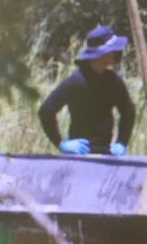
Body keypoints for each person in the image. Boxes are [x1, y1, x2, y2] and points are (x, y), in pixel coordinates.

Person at [38, 26, 135, 156]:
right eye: (114, 50)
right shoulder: (76, 81)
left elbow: (128, 111)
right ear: (103, 53)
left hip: (106, 153)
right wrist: (61, 144)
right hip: (79, 155)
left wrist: (122, 142)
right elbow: (46, 110)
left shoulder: (114, 81)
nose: (118, 53)